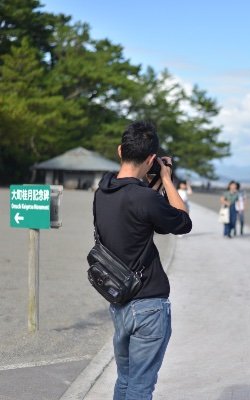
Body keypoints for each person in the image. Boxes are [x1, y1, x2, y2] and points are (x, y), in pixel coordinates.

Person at [94, 121, 192, 400]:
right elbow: (182, 223)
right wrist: (168, 179)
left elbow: (150, 218)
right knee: (140, 386)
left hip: (119, 300)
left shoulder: (102, 192)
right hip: (148, 304)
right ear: (151, 159)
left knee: (125, 381)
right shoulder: (144, 198)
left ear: (120, 150)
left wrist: (155, 183)